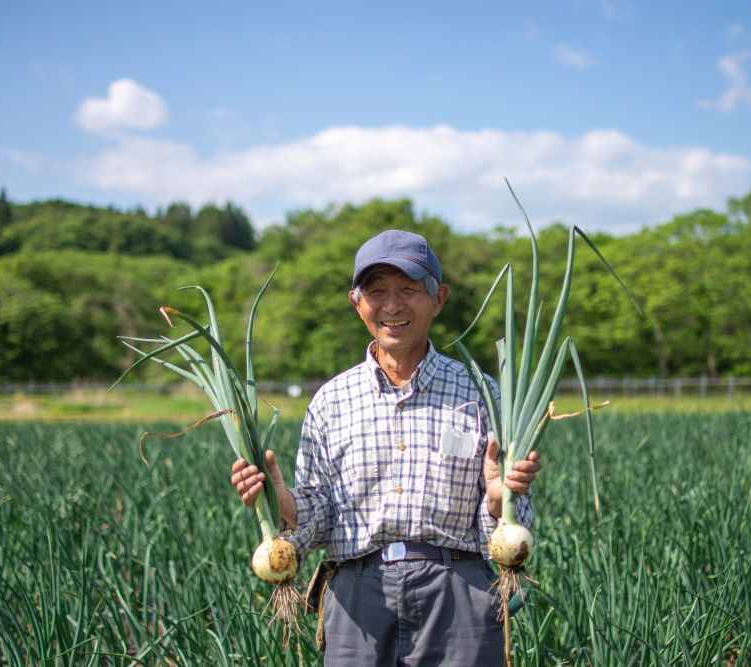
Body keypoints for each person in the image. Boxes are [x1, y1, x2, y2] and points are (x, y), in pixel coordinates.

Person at [231, 229, 541, 666]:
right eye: (376, 292)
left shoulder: (482, 394)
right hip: (357, 596)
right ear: (357, 303)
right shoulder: (330, 401)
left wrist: (497, 502)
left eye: (408, 290)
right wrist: (286, 504)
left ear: (438, 298)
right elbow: (321, 515)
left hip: (458, 591)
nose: (392, 306)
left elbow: (513, 524)